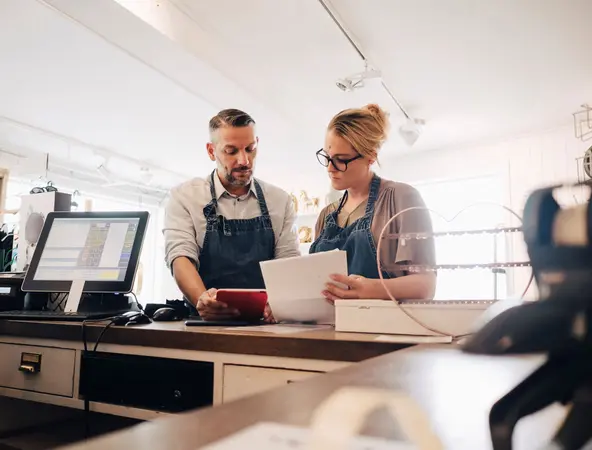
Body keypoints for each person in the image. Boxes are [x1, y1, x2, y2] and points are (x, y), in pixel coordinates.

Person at [163, 108, 300, 320]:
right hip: (203, 325)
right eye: (231, 151)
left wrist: (280, 302)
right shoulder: (184, 197)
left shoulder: (280, 200)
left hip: (266, 326)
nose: (244, 160)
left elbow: (288, 261)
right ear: (211, 151)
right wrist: (203, 300)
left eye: (250, 149)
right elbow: (180, 256)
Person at [310, 104, 436, 303]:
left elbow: (426, 285)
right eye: (327, 157)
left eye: (341, 160)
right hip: (330, 331)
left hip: (384, 330)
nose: (330, 168)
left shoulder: (401, 199)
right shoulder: (326, 215)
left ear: (371, 157)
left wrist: (370, 288)